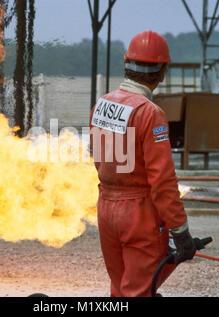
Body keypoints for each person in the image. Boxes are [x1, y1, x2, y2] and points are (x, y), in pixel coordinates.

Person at [89, 30, 196, 297]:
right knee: (137, 292)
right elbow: (162, 181)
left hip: (106, 209)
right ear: (162, 72)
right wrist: (180, 231)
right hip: (138, 214)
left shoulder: (101, 105)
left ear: (126, 65)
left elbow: (98, 158)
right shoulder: (150, 113)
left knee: (120, 289)